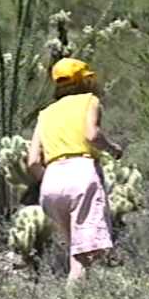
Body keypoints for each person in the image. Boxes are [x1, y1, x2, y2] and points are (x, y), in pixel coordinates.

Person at [27, 57, 123, 283]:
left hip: (51, 181)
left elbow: (32, 161)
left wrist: (50, 179)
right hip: (81, 175)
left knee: (76, 250)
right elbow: (92, 135)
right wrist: (114, 149)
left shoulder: (46, 113)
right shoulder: (89, 101)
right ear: (84, 81)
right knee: (83, 258)